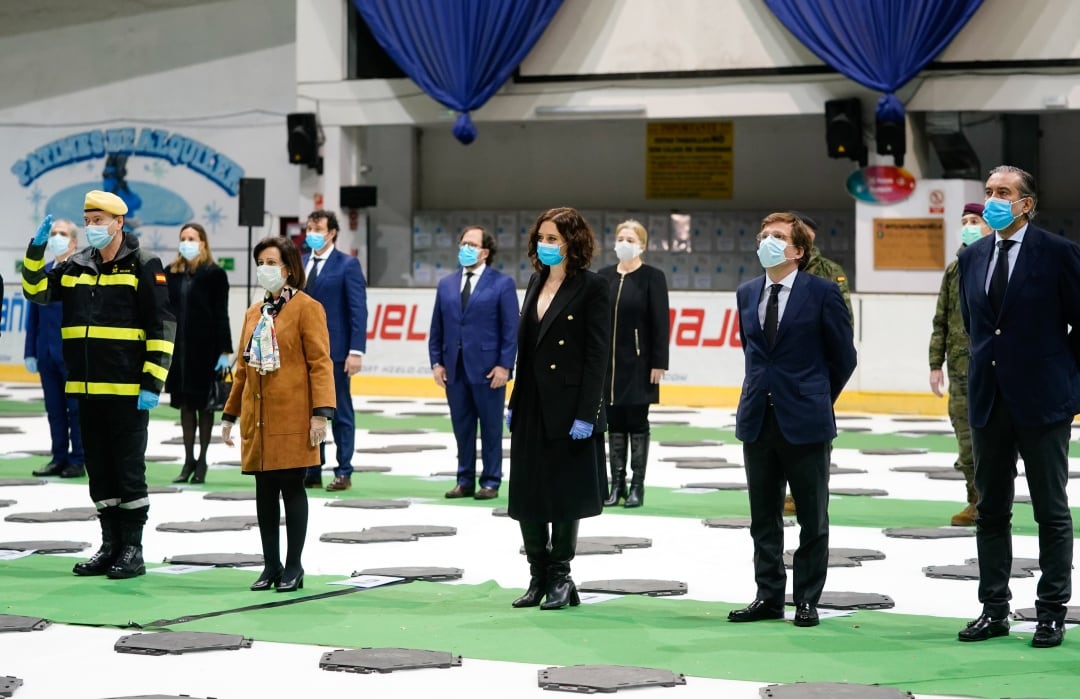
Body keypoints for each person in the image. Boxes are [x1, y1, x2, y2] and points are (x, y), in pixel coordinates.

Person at [956, 165, 1080, 649]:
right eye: (988, 192)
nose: (993, 199)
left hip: (1044, 401)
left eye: (1003, 192)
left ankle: (1051, 612)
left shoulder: (1059, 254)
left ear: (1026, 203)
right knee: (992, 511)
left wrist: (1068, 384)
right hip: (989, 400)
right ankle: (994, 609)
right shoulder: (973, 258)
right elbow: (975, 326)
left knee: (1050, 512)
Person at [22, 191, 176, 580]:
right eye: (87, 220)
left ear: (119, 222)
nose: (92, 227)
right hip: (87, 390)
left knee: (128, 472)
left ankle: (132, 549)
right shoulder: (74, 265)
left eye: (99, 220)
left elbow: (162, 327)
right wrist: (36, 249)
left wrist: (152, 382)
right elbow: (36, 291)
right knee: (100, 473)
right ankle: (109, 546)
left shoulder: (143, 264)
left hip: (127, 392)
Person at [728, 212, 856, 629]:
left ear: (798, 251)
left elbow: (843, 357)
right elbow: (752, 352)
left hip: (806, 419)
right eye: (763, 234)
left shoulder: (822, 293)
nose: (767, 240)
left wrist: (816, 396)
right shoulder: (747, 292)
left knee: (812, 518)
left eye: (778, 236)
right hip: (757, 418)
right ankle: (768, 595)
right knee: (763, 516)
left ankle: (806, 599)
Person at [506, 207, 610, 611]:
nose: (544, 245)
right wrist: (515, 400)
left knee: (565, 494)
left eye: (553, 239)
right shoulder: (535, 280)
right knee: (529, 494)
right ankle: (537, 576)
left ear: (573, 242)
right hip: (532, 402)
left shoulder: (592, 287)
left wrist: (588, 412)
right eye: (541, 238)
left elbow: (597, 355)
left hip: (569, 408)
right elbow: (526, 352)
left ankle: (561, 579)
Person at [221, 236, 335, 593]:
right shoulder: (253, 313)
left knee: (291, 487)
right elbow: (242, 368)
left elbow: (320, 363)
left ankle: (294, 566)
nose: (265, 269)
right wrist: (230, 413)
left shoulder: (307, 307)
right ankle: (270, 565)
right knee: (264, 491)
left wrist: (321, 414)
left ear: (289, 268)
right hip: (258, 417)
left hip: (293, 415)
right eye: (261, 262)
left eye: (272, 262)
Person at [429, 226, 519, 500]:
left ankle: (491, 480)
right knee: (462, 427)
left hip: (489, 369)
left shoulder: (502, 284)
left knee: (491, 428)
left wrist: (505, 365)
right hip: (453, 369)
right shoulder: (446, 284)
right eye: (463, 243)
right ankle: (464, 479)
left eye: (471, 244)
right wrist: (436, 362)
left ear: (485, 252)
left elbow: (510, 328)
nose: (464, 248)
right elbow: (437, 326)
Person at [783, 212, 853, 518]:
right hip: (785, 369)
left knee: (815, 436)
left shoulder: (830, 272)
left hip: (817, 369)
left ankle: (811, 495)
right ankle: (789, 493)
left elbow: (843, 326)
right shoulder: (778, 270)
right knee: (781, 434)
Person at [597, 219, 669, 508]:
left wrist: (658, 362)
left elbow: (660, 323)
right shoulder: (603, 277)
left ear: (642, 244)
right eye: (620, 237)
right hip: (608, 368)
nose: (624, 243)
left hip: (639, 364)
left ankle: (637, 486)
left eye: (630, 238)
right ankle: (617, 485)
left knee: (637, 423)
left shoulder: (653, 277)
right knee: (614, 424)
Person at [929, 203, 991, 527]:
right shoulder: (955, 270)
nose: (968, 226)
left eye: (974, 220)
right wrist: (935, 364)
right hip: (959, 373)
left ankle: (994, 501)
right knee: (966, 442)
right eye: (964, 221)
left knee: (996, 444)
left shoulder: (997, 263)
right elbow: (940, 319)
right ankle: (976, 501)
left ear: (989, 226)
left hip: (993, 370)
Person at [300, 210, 368, 491]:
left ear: (332, 233)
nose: (312, 232)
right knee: (307, 411)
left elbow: (357, 310)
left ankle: (343, 470)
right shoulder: (301, 263)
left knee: (339, 412)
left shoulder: (347, 265)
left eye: (318, 228)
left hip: (336, 351)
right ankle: (313, 468)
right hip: (302, 350)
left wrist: (356, 351)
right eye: (309, 227)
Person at [165, 222, 233, 484]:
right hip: (178, 351)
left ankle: (202, 460)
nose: (187, 242)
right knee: (184, 407)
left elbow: (221, 314)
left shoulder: (214, 274)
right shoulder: (171, 272)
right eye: (183, 238)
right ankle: (188, 460)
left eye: (192, 238)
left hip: (205, 351)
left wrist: (225, 349)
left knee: (204, 407)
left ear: (203, 243)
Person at [24, 219, 85, 479]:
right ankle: (58, 456)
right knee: (54, 410)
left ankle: (78, 458)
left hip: (72, 356)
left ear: (74, 241)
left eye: (62, 234)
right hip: (46, 353)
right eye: (53, 233)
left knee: (76, 410)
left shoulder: (81, 272)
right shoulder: (43, 273)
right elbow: (33, 318)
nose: (57, 237)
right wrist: (30, 351)